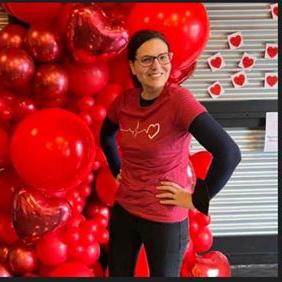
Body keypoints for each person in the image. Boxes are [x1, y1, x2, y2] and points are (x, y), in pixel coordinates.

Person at [99, 29, 242, 277]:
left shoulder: (178, 101)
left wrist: (195, 200)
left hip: (164, 217)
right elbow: (106, 135)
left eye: (162, 57)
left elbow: (229, 153)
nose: (157, 66)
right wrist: (116, 169)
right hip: (125, 208)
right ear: (133, 67)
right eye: (146, 59)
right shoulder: (124, 102)